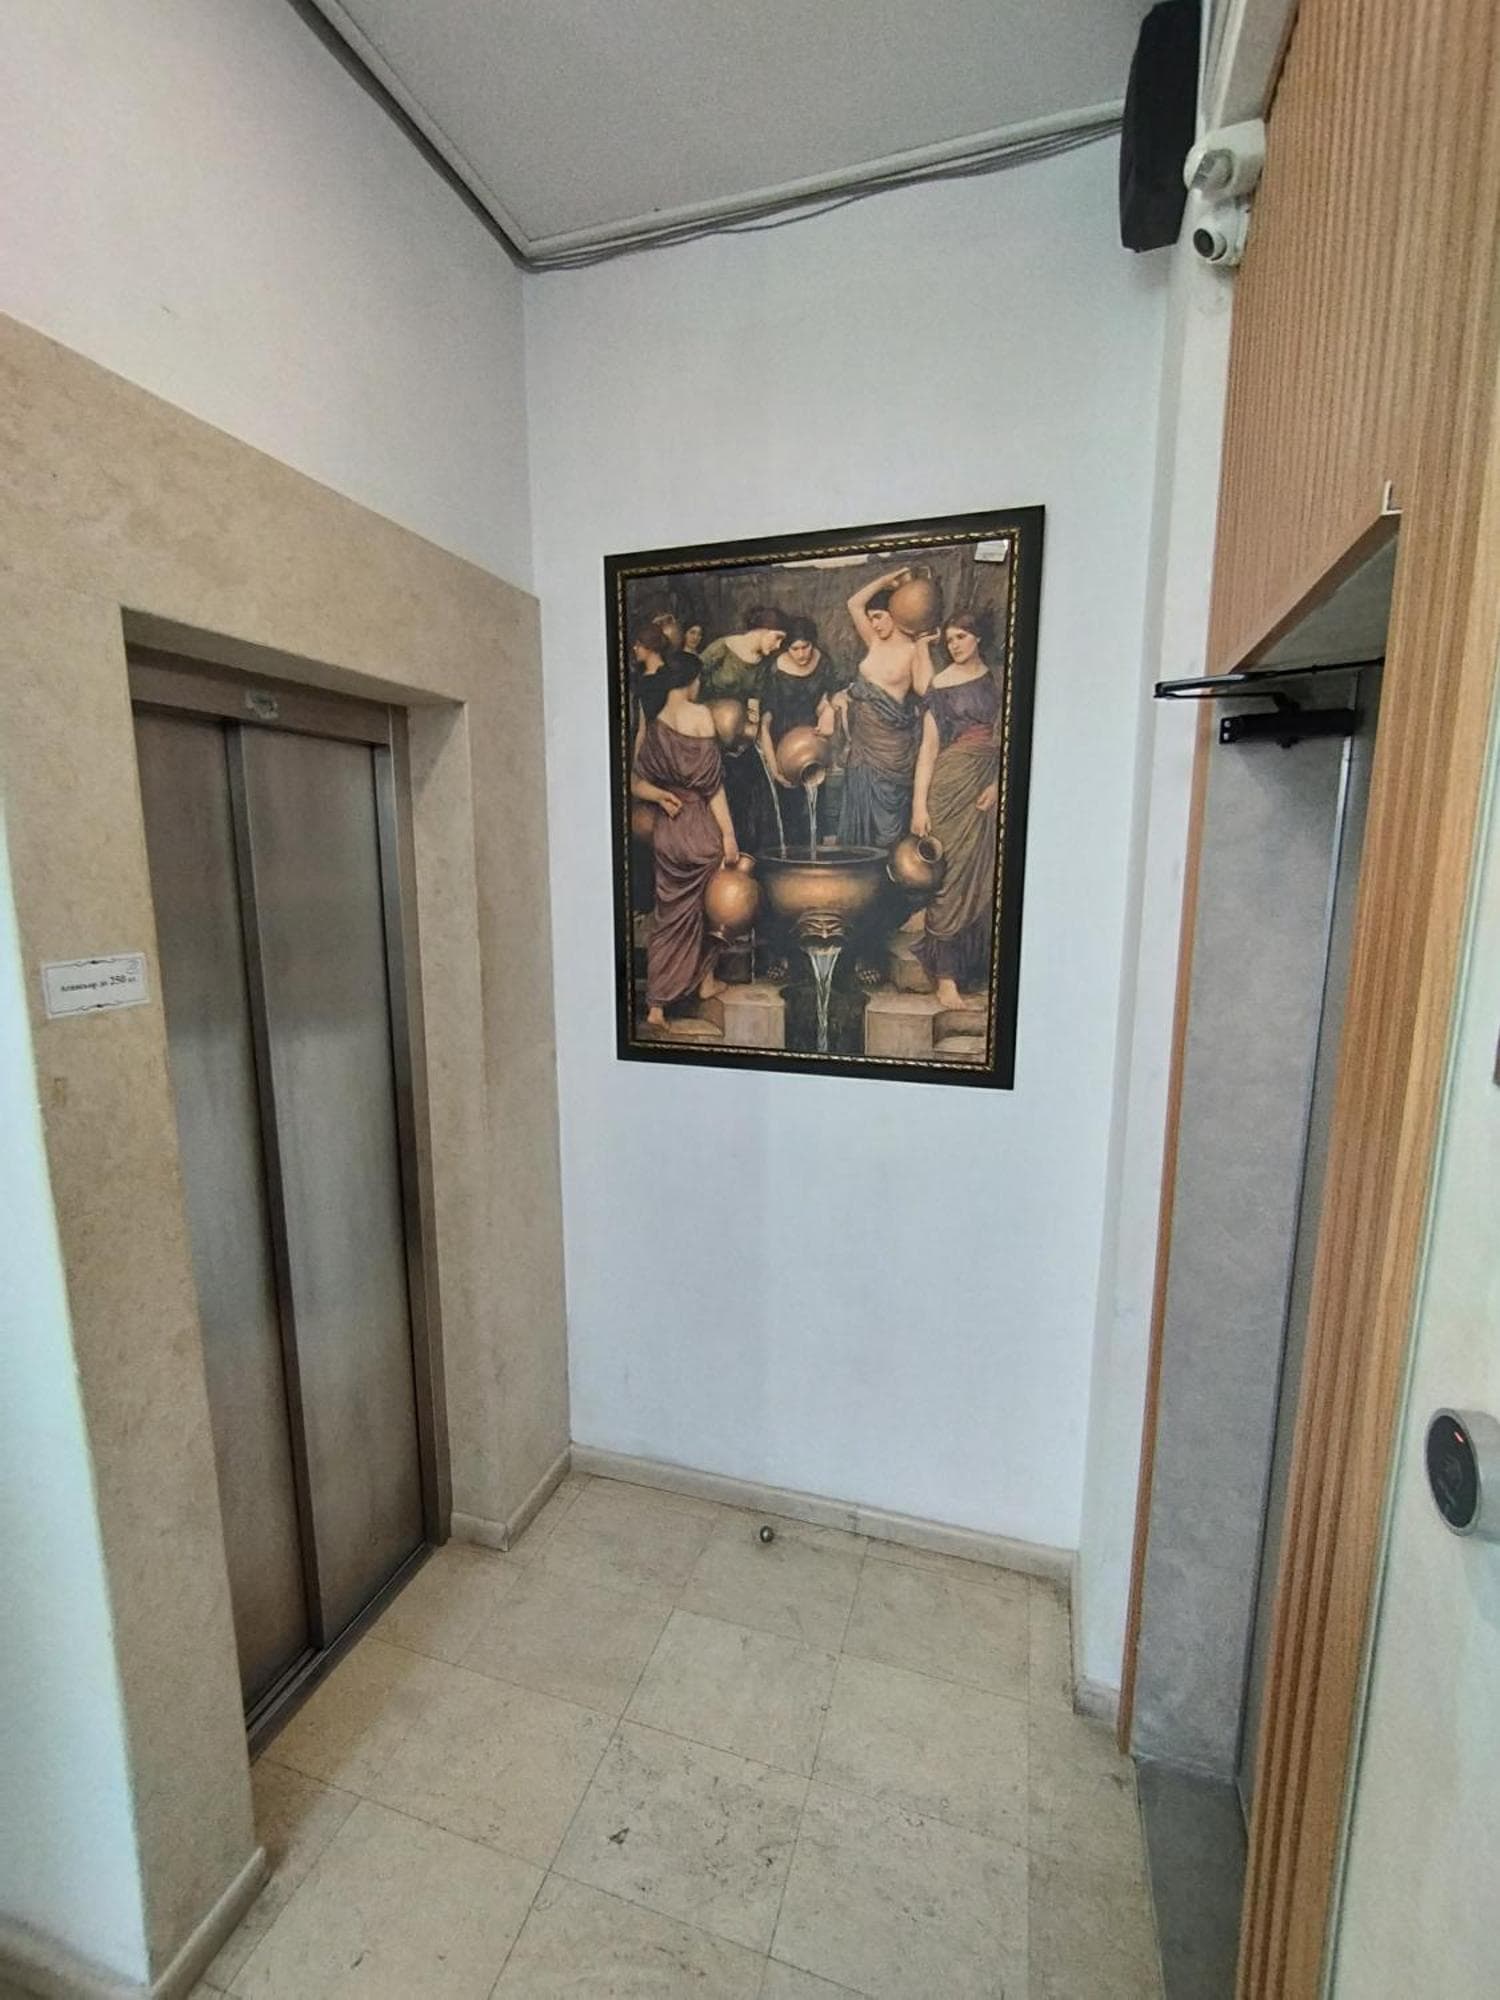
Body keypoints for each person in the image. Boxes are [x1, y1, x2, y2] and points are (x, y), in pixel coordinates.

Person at [630, 652, 739, 1030]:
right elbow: (713, 788)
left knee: (670, 916)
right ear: (692, 681)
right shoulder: (702, 716)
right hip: (699, 827)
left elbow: (635, 783)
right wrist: (729, 834)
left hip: (669, 831)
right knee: (710, 908)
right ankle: (705, 981)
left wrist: (661, 796)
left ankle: (656, 1007)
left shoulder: (657, 722)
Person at [910, 610, 1003, 1010]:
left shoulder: (998, 679)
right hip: (949, 786)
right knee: (949, 881)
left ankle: (972, 972)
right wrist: (918, 805)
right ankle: (945, 981)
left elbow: (1010, 738)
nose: (954, 645)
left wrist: (998, 785)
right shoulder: (941, 685)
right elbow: (929, 748)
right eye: (949, 640)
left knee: (983, 880)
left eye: (961, 637)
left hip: (988, 782)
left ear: (978, 637)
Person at [836, 568, 936, 848]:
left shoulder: (912, 651)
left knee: (889, 828)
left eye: (878, 616)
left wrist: (924, 648)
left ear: (896, 614)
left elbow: (926, 689)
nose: (874, 624)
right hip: (863, 747)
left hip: (892, 750)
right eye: (871, 619)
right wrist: (886, 580)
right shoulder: (873, 642)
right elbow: (853, 604)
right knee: (859, 819)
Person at [696, 603, 789, 851]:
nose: (778, 646)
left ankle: (748, 851)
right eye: (778, 637)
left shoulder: (762, 663)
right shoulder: (722, 648)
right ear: (762, 630)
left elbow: (754, 703)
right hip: (705, 730)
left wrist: (751, 732)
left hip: (737, 737)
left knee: (749, 789)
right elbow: (691, 682)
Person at [760, 615, 841, 850]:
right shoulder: (774, 670)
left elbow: (829, 698)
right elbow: (764, 724)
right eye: (795, 649)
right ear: (786, 648)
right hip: (782, 746)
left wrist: (828, 710)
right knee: (790, 814)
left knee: (816, 807)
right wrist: (774, 768)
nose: (802, 654)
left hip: (814, 743)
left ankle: (816, 858)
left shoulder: (823, 663)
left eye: (806, 647)